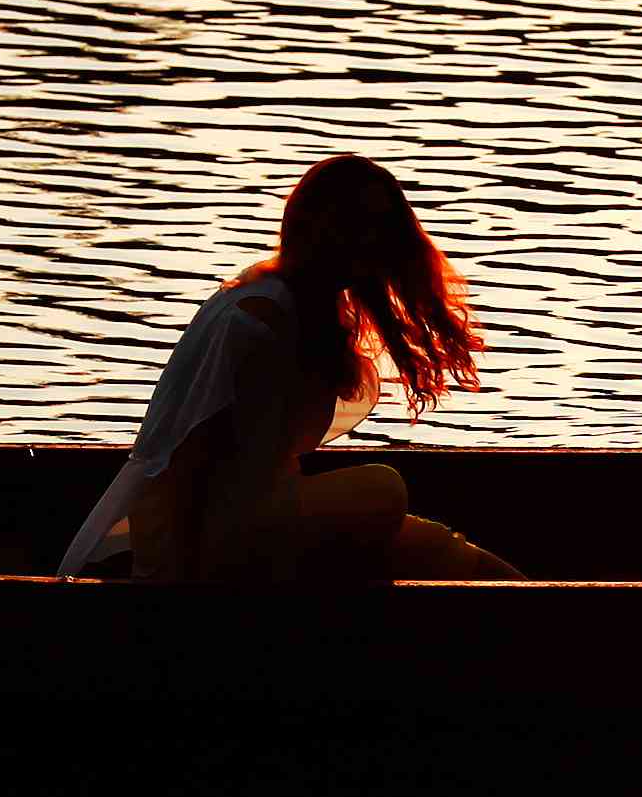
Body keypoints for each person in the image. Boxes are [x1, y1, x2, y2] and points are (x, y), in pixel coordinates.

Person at [62, 156, 522, 585]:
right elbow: (186, 451)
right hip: (216, 540)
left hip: (263, 520)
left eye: (380, 228)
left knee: (437, 546)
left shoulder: (305, 305)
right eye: (354, 225)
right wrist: (169, 577)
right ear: (315, 227)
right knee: (383, 487)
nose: (368, 241)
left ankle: (545, 604)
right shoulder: (258, 317)